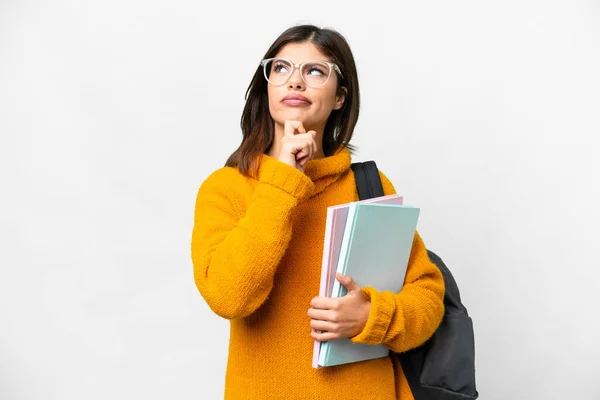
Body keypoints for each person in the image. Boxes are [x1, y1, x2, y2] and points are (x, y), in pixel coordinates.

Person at [191, 24, 445, 400]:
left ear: (340, 96)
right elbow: (229, 297)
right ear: (267, 87)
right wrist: (282, 180)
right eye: (281, 68)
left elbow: (427, 297)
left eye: (314, 71)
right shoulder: (227, 187)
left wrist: (372, 316)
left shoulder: (369, 187)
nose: (295, 82)